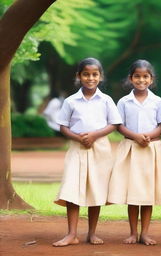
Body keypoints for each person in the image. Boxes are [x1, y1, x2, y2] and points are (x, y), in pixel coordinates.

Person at [53, 57, 122, 247]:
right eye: (86, 74)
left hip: (100, 148)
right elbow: (63, 126)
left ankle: (92, 233)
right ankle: (71, 234)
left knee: (95, 189)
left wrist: (94, 135)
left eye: (94, 74)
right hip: (77, 148)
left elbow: (114, 124)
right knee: (72, 188)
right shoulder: (70, 101)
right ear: (78, 76)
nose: (90, 78)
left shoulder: (106, 100)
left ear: (100, 77)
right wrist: (78, 138)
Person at [108, 59, 161, 246]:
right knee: (134, 193)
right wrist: (135, 136)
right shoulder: (124, 101)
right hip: (131, 149)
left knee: (147, 193)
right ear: (130, 78)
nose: (141, 80)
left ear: (151, 79)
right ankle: (133, 232)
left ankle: (145, 233)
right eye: (137, 76)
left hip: (151, 150)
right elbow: (119, 125)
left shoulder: (158, 101)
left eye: (145, 77)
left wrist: (148, 136)